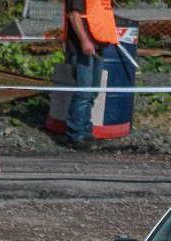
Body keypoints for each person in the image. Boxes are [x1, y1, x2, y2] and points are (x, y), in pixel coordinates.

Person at [63, 0, 118, 149]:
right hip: (83, 48)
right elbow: (74, 15)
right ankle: (76, 136)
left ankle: (86, 132)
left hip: (97, 45)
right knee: (83, 92)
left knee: (92, 92)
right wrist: (84, 40)